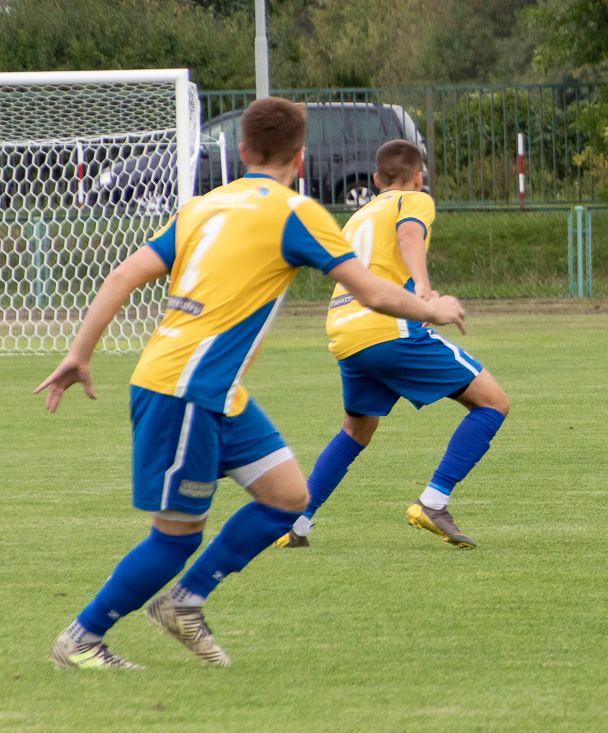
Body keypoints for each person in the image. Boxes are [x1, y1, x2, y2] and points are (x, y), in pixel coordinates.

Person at [39, 97, 467, 670]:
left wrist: (79, 353)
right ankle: (81, 639)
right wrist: (432, 308)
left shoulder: (204, 206)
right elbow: (371, 290)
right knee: (176, 538)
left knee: (289, 499)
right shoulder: (295, 211)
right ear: (301, 157)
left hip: (212, 389)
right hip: (185, 389)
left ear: (242, 151)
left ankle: (184, 603)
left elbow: (123, 275)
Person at [274, 139, 509, 551]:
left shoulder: (358, 216)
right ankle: (433, 502)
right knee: (493, 404)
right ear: (419, 177)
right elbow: (409, 236)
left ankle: (296, 523)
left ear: (376, 179)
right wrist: (424, 290)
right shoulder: (414, 200)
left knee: (356, 430)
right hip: (387, 328)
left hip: (344, 330)